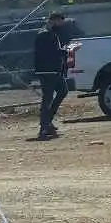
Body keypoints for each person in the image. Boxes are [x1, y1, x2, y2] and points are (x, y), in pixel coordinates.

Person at [34, 12, 71, 141]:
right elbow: (51, 52)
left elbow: (55, 50)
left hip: (55, 71)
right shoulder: (44, 34)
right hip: (47, 71)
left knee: (63, 91)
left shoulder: (52, 34)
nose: (61, 25)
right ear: (54, 20)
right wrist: (67, 51)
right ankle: (43, 127)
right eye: (60, 22)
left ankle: (48, 120)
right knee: (47, 98)